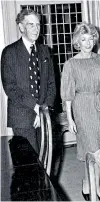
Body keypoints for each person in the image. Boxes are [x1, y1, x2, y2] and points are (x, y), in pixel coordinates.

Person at [60, 22, 100, 200]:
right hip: (82, 106)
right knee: (93, 147)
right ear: (77, 41)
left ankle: (87, 181)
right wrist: (70, 119)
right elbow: (67, 95)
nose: (88, 42)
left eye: (91, 38)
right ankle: (95, 185)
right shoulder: (71, 64)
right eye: (83, 39)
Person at [1, 9, 56, 153]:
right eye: (31, 24)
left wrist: (44, 109)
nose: (36, 29)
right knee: (27, 163)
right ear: (21, 27)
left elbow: (51, 84)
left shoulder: (45, 51)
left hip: (44, 115)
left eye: (38, 25)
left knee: (45, 160)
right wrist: (35, 107)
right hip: (21, 117)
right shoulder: (9, 52)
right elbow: (10, 87)